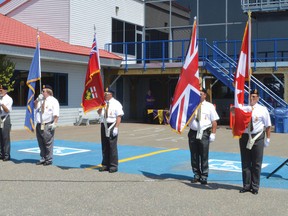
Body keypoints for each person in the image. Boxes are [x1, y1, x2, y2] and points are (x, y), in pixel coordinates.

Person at [238, 89, 271, 195]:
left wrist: (268, 139)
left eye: (254, 97)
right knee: (246, 162)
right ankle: (246, 185)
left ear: (258, 98)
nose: (252, 99)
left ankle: (255, 186)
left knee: (256, 163)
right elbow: (235, 118)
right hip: (245, 137)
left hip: (257, 137)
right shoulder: (243, 108)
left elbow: (268, 125)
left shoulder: (263, 109)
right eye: (251, 96)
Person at [188, 88, 219, 185]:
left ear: (205, 95)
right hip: (193, 132)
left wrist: (213, 134)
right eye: (198, 94)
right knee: (194, 155)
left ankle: (204, 176)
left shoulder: (209, 106)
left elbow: (214, 121)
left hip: (204, 132)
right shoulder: (191, 105)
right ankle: (196, 174)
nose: (199, 96)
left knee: (204, 155)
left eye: (201, 94)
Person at [97, 87, 124, 173]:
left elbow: (119, 116)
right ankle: (105, 164)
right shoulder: (103, 103)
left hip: (112, 125)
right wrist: (101, 107)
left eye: (106, 94)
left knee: (112, 146)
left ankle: (113, 166)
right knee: (104, 145)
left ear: (111, 94)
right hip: (104, 124)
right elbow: (99, 112)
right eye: (104, 94)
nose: (105, 95)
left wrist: (116, 127)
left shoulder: (116, 103)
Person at [34, 85, 60, 166]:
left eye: (43, 91)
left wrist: (55, 123)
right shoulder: (41, 100)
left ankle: (49, 159)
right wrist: (37, 100)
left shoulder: (53, 101)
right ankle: (43, 158)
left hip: (47, 124)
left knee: (48, 143)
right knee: (40, 142)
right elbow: (35, 107)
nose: (42, 92)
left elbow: (56, 113)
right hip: (39, 124)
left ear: (48, 92)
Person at [0, 84, 13, 161]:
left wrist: (2, 104)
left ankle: (7, 155)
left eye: (1, 90)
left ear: (5, 90)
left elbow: (7, 110)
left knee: (5, 138)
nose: (0, 91)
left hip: (5, 118)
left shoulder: (9, 99)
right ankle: (1, 154)